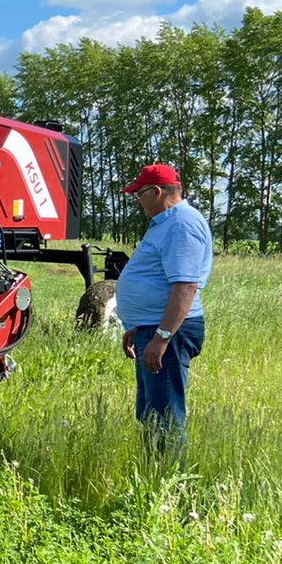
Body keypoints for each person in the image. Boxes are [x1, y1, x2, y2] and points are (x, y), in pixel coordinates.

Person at [114, 163, 213, 460]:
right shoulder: (166, 223)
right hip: (153, 328)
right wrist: (139, 326)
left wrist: (162, 336)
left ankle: (168, 488)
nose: (138, 201)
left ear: (156, 192)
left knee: (165, 417)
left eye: (139, 194)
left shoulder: (181, 224)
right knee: (150, 413)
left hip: (168, 332)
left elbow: (185, 286)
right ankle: (153, 477)